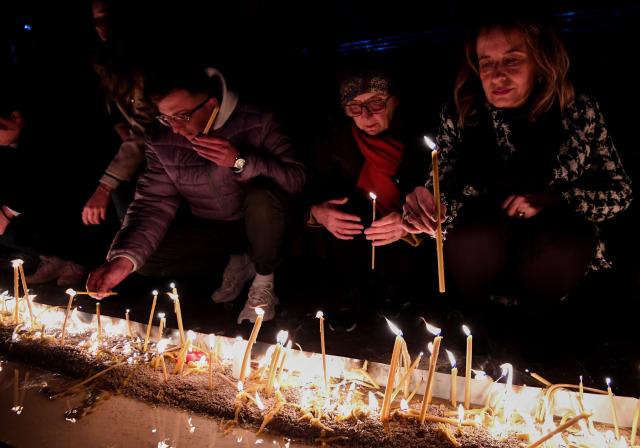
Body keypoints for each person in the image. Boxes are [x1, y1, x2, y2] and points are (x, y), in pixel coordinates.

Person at [402, 16, 633, 304]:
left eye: (512, 61)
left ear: (540, 63)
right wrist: (431, 207)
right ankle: (481, 326)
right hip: (481, 262)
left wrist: (553, 199)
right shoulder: (463, 114)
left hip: (554, 261)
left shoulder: (575, 111)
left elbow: (619, 193)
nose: (497, 76)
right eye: (487, 63)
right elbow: (442, 184)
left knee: (560, 245)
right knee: (477, 239)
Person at [86, 65, 306, 323]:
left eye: (181, 116)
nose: (175, 128)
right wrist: (121, 261)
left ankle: (264, 276)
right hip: (215, 226)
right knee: (141, 260)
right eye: (166, 118)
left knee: (262, 196)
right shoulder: (161, 138)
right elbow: (153, 202)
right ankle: (240, 260)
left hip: (264, 222)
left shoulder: (257, 120)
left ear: (211, 104)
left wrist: (240, 161)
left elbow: (295, 180)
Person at [307, 69, 429, 327]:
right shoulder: (336, 141)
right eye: (354, 107)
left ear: (394, 100)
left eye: (375, 103)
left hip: (406, 246)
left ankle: (397, 298)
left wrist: (409, 224)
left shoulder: (420, 140)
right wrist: (318, 212)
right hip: (352, 244)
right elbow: (309, 189)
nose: (365, 115)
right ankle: (349, 297)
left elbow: (440, 196)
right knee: (349, 211)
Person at [82, 0, 157, 226]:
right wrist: (119, 126)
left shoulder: (147, 60)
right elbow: (112, 108)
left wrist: (106, 186)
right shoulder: (105, 61)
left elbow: (148, 124)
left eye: (105, 19)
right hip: (139, 147)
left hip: (164, 148)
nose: (99, 27)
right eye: (95, 21)